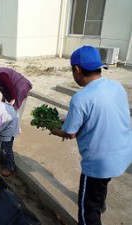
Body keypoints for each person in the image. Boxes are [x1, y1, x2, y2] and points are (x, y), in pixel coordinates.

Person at [50, 46, 132, 225]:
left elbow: (70, 133)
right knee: (100, 187)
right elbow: (100, 114)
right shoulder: (116, 86)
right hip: (123, 154)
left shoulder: (80, 99)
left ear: (77, 70)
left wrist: (53, 129)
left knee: (88, 210)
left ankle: (95, 209)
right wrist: (70, 119)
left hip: (99, 164)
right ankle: (100, 204)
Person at [0, 62, 32, 131]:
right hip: (16, 88)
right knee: (13, 110)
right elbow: (4, 87)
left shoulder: (1, 74)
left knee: (16, 110)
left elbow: (10, 86)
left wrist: (13, 99)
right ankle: (15, 128)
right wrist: (3, 98)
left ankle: (15, 130)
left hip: (20, 87)